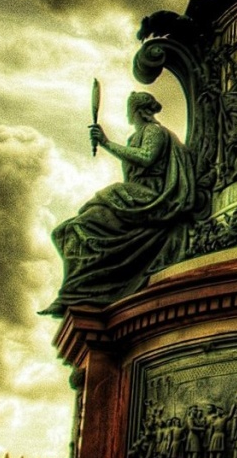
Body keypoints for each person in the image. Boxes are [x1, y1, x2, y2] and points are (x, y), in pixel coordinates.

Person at [41, 91, 194, 315]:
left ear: (137, 111)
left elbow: (146, 157)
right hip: (132, 197)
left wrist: (105, 143)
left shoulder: (154, 131)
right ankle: (73, 292)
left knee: (79, 227)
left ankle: (77, 291)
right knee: (64, 232)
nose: (127, 114)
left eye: (129, 109)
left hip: (150, 197)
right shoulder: (134, 137)